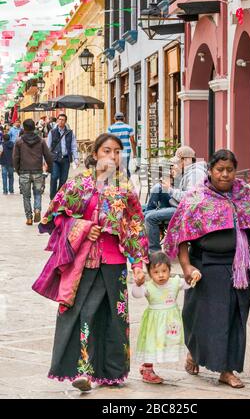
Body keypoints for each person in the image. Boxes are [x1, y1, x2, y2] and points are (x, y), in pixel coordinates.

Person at [32, 133, 148, 392]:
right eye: (107, 150)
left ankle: (112, 372)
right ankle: (82, 371)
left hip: (114, 262)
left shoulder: (125, 188)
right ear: (95, 154)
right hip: (82, 262)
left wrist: (138, 263)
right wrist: (83, 227)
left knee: (115, 317)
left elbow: (135, 226)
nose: (113, 156)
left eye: (118, 152)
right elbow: (55, 218)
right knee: (83, 313)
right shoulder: (76, 185)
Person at [164, 149, 250, 389]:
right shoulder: (196, 197)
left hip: (238, 268)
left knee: (233, 320)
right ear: (210, 171)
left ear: (235, 170)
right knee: (199, 318)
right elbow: (181, 235)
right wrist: (186, 266)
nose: (225, 175)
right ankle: (195, 351)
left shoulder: (245, 196)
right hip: (204, 268)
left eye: (230, 170)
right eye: (219, 170)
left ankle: (227, 369)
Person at [132, 251, 201, 384]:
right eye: (156, 272)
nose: (161, 275)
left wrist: (195, 274)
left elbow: (189, 282)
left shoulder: (175, 282)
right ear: (150, 273)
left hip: (169, 323)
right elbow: (136, 294)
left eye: (164, 270)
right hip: (154, 323)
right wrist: (138, 284)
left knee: (165, 344)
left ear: (170, 269)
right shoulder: (149, 287)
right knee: (151, 345)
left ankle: (146, 368)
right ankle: (147, 369)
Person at [145, 146, 207, 253]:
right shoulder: (188, 171)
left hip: (187, 210)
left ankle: (154, 253)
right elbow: (182, 191)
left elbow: (190, 199)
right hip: (180, 204)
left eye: (178, 162)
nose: (176, 164)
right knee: (158, 188)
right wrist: (176, 177)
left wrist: (170, 189)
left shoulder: (196, 174)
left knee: (150, 218)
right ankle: (147, 217)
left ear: (185, 160)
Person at [13, 119, 53, 225]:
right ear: (34, 128)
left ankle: (29, 218)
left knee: (26, 196)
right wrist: (49, 168)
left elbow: (15, 158)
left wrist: (18, 170)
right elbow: (48, 156)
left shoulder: (19, 141)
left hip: (24, 171)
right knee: (37, 194)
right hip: (37, 172)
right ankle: (37, 210)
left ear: (24, 128)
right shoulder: (40, 140)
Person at [47, 113, 79, 200]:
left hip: (65, 159)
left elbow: (73, 146)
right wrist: (45, 160)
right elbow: (48, 146)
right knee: (54, 177)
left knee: (63, 179)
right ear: (57, 120)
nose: (61, 121)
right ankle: (52, 198)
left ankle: (59, 196)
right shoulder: (52, 132)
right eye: (59, 119)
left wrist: (76, 158)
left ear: (65, 121)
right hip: (55, 158)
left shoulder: (70, 133)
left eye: (63, 120)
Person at [108, 112, 137, 177]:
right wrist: (135, 154)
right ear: (123, 118)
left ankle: (116, 185)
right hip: (126, 152)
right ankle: (127, 185)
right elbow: (132, 141)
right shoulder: (129, 128)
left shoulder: (110, 128)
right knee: (126, 169)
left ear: (114, 119)